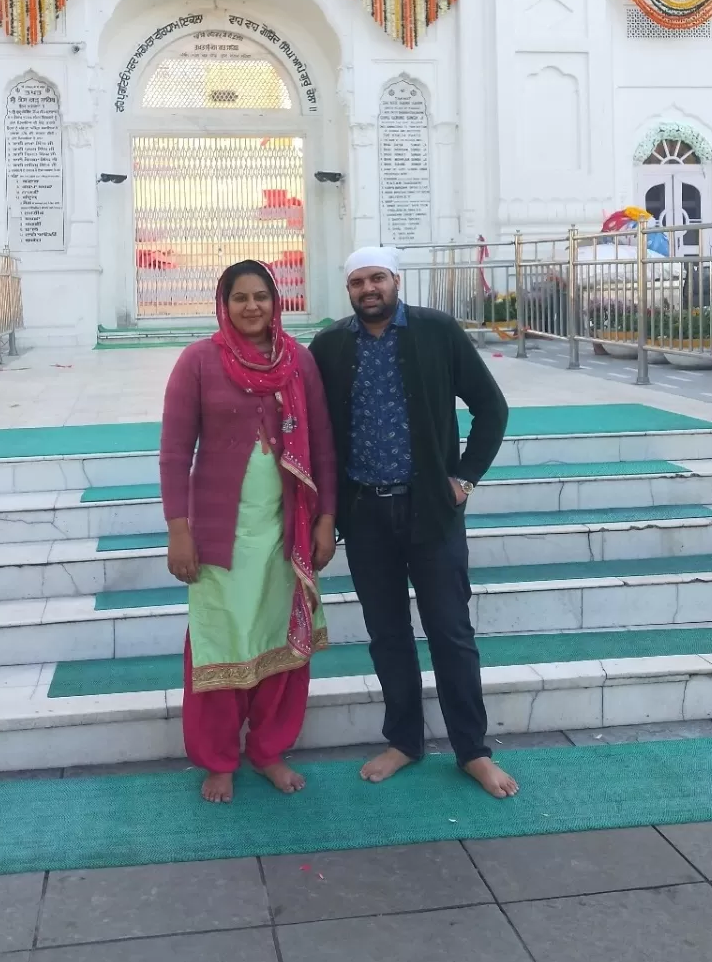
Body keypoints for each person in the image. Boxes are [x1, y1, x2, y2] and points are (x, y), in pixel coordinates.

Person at [310, 246, 517, 799]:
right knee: (387, 635)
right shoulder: (330, 345)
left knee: (450, 632)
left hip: (432, 512)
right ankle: (404, 740)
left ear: (396, 280)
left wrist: (464, 477)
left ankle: (472, 750)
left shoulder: (436, 331)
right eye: (357, 282)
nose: (368, 289)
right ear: (348, 290)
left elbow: (491, 408)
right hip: (365, 514)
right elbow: (317, 433)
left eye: (377, 278)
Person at [160, 260, 337, 803]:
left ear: (275, 301)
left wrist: (326, 518)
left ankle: (267, 751)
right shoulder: (198, 362)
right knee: (220, 643)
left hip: (286, 531)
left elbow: (325, 445)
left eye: (261, 296)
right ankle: (217, 760)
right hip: (220, 534)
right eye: (240, 298)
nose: (252, 307)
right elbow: (173, 452)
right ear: (224, 303)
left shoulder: (298, 361)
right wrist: (178, 530)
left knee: (281, 641)